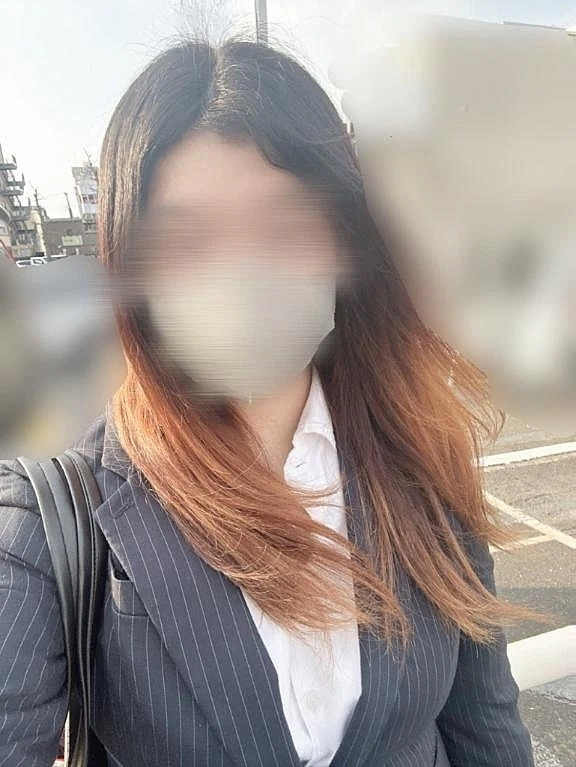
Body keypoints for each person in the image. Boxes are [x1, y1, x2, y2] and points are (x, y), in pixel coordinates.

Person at [0, 37, 538, 767]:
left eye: (286, 227)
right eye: (188, 241)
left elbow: (487, 729)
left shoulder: (422, 460)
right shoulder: (48, 523)